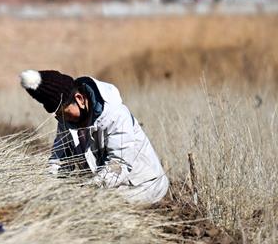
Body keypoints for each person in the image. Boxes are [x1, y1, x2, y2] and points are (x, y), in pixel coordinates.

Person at [19, 69, 169, 204]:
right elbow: (59, 160)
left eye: (63, 112)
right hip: (107, 187)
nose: (61, 118)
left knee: (91, 211)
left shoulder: (116, 116)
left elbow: (119, 164)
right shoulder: (66, 121)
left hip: (143, 187)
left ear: (79, 99)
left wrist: (88, 190)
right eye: (57, 115)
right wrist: (47, 189)